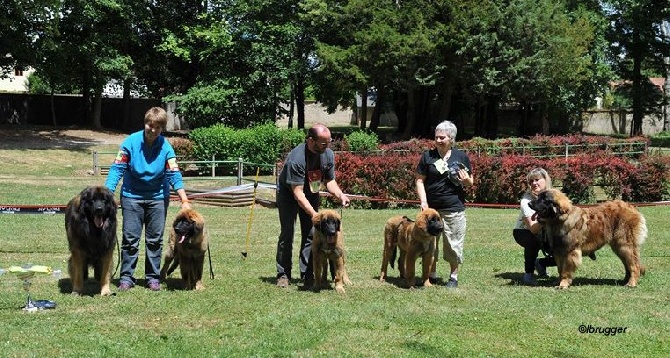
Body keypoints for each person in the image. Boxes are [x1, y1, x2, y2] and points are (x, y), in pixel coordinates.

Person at [104, 107, 191, 292]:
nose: (153, 130)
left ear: (162, 128)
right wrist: (107, 193)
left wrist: (184, 200)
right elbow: (117, 169)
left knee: (154, 240)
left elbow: (174, 173)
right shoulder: (130, 142)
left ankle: (153, 277)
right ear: (145, 123)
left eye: (158, 127)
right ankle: (127, 277)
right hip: (131, 197)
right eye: (150, 125)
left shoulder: (166, 147)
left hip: (158, 198)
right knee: (130, 239)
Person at [275, 124, 350, 288]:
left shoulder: (327, 154)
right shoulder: (297, 159)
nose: (328, 146)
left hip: (311, 190)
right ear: (311, 141)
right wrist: (315, 214)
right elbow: (297, 193)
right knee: (287, 234)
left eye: (328, 142)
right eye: (324, 143)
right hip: (289, 194)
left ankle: (307, 273)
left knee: (310, 234)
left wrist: (340, 194)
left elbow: (329, 181)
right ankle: (283, 275)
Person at [416, 120, 473, 288]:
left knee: (453, 242)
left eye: (442, 137)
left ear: (451, 138)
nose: (438, 140)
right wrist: (424, 201)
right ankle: (431, 274)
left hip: (453, 208)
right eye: (436, 137)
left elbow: (471, 182)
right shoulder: (428, 156)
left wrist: (466, 180)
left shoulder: (461, 156)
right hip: (432, 209)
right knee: (430, 242)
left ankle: (453, 276)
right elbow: (419, 181)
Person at [512, 167, 556, 285]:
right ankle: (529, 274)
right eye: (531, 181)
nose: (534, 183)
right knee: (533, 241)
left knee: (565, 246)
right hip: (523, 232)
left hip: (546, 232)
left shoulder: (552, 196)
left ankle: (541, 263)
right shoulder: (526, 201)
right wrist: (547, 217)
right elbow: (533, 228)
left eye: (537, 179)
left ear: (545, 180)